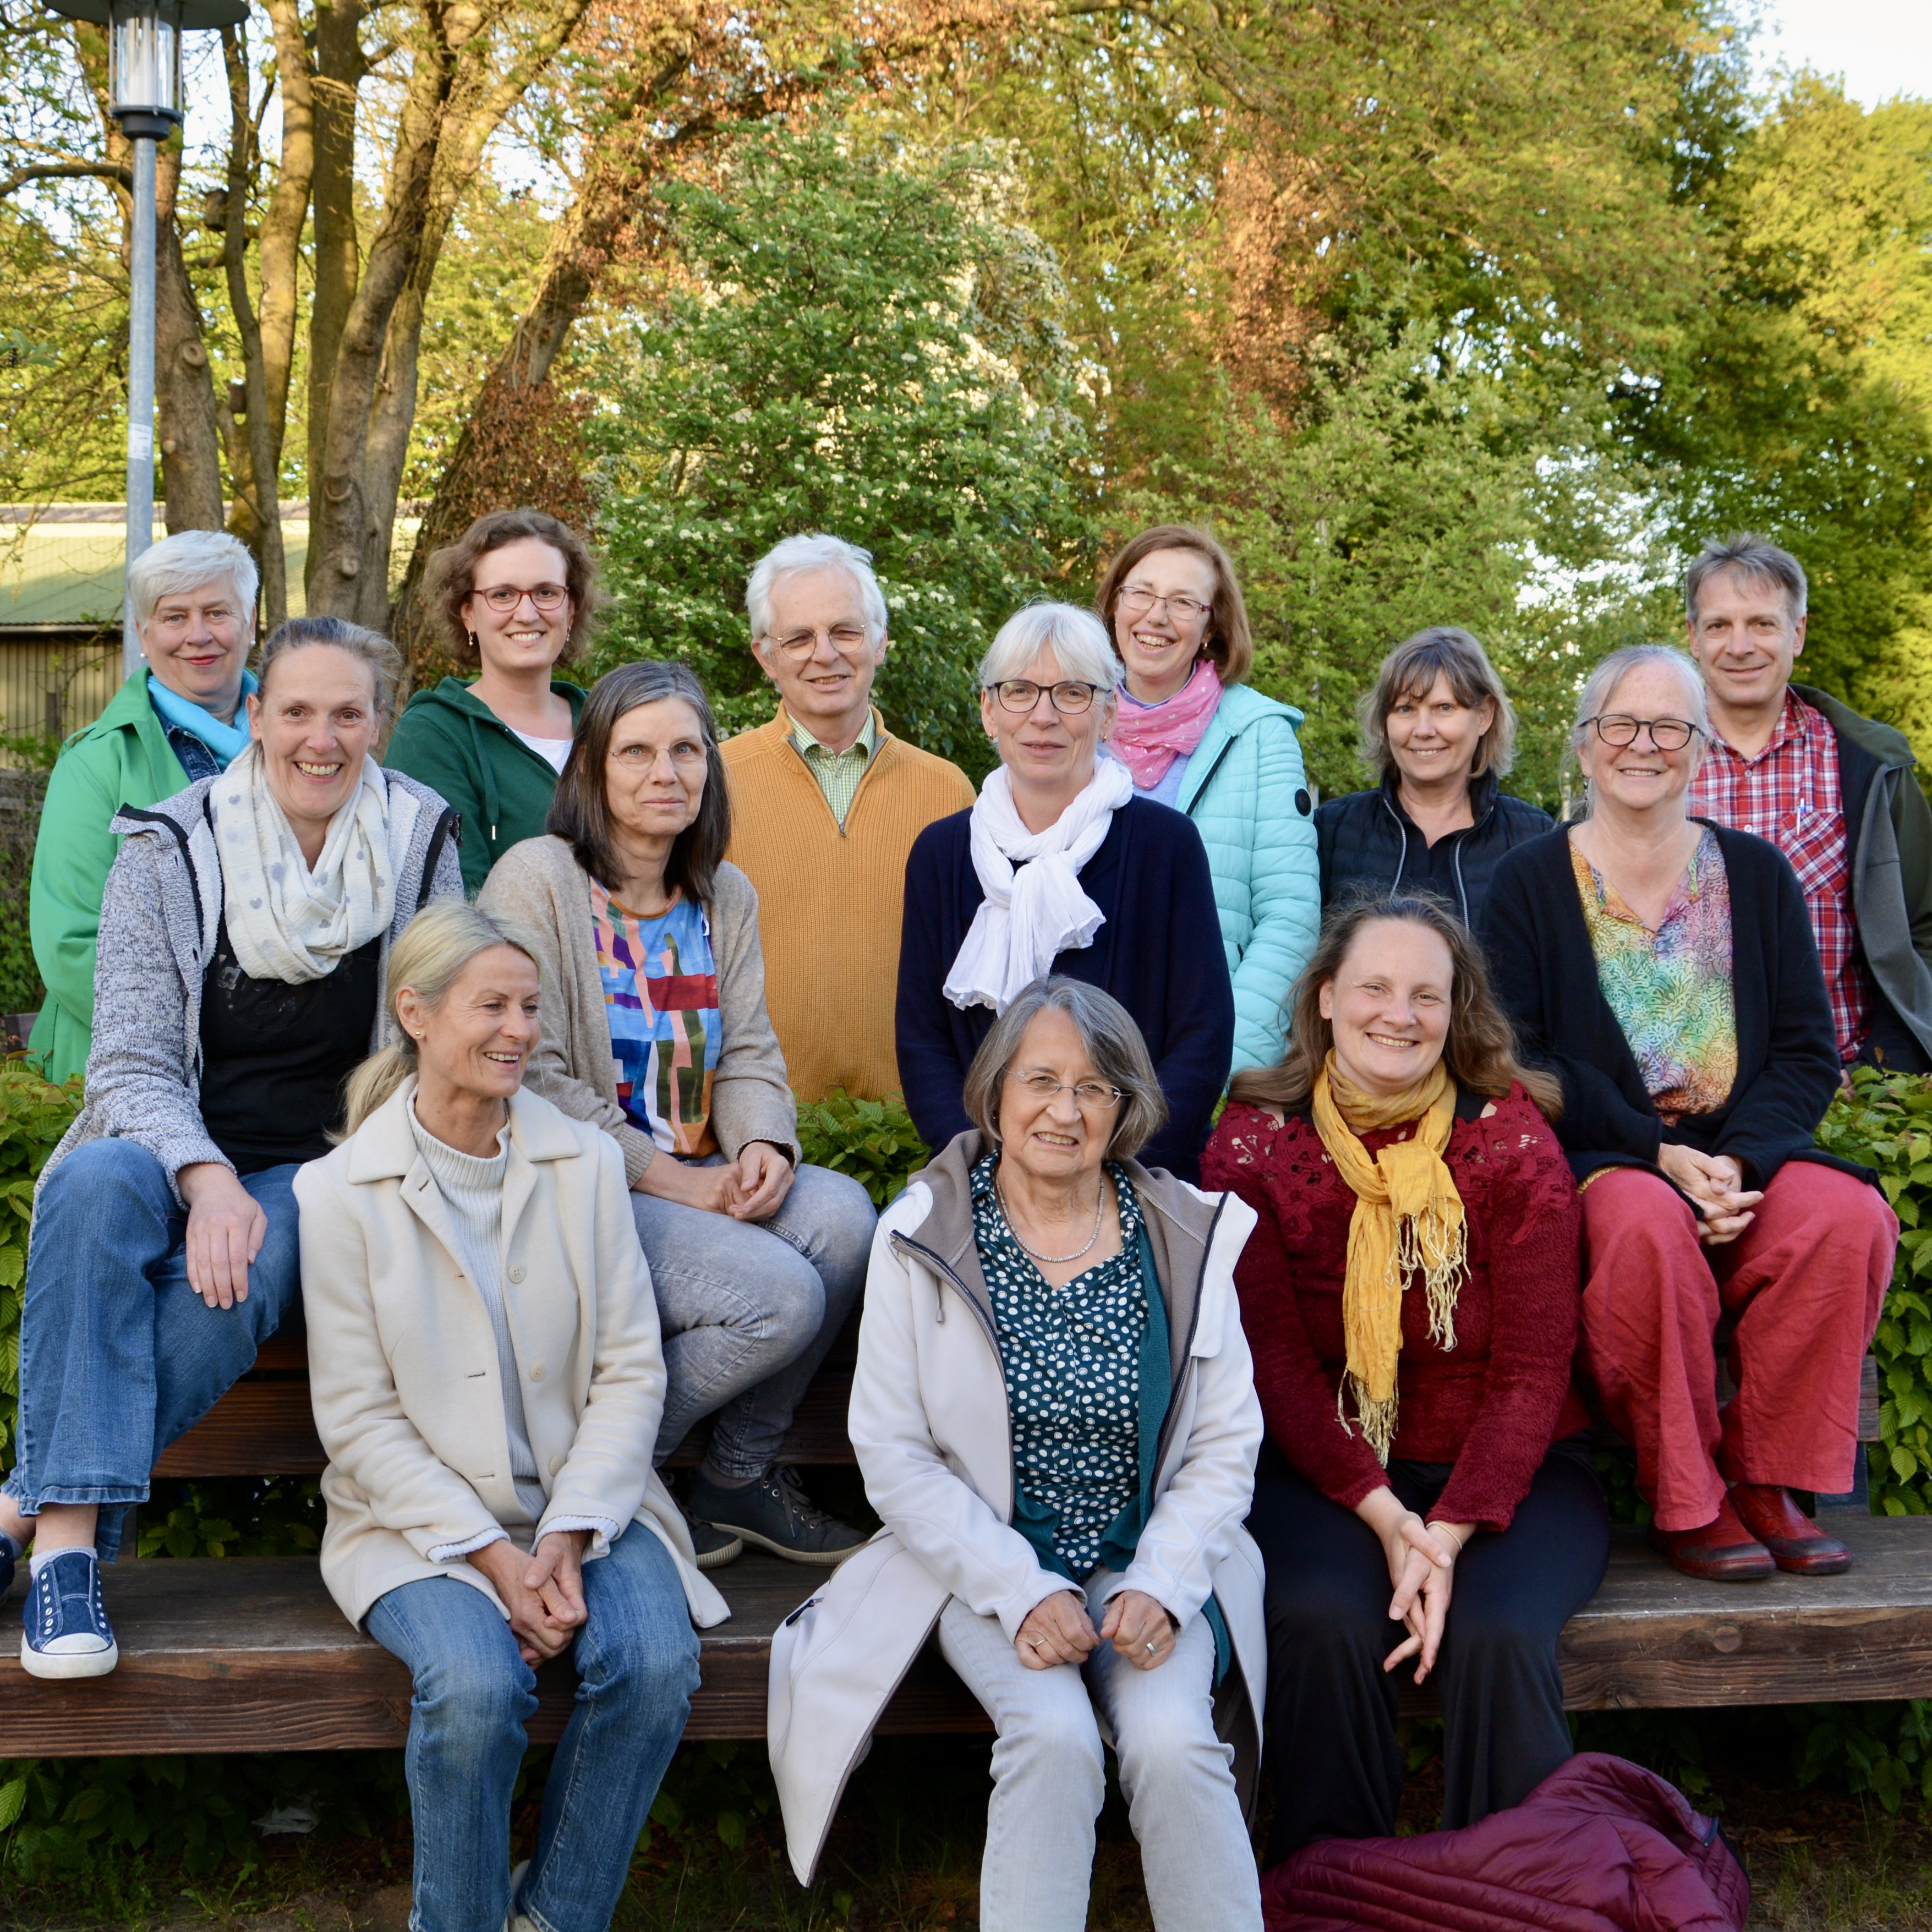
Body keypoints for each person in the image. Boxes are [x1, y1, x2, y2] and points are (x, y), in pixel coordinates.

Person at [2, 616, 462, 1672]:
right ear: (255, 716)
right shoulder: (169, 844)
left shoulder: (418, 838)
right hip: (173, 1141)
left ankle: (43, 1528)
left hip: (334, 1165)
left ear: (378, 722)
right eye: (296, 710)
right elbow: (127, 1064)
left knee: (250, 1253)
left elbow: (435, 1047)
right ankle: (60, 1531)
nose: (321, 739)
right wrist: (207, 1177)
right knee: (92, 1185)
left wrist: (261, 1195)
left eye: (347, 714)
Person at [769, 977, 1266, 1931]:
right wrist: (1019, 1588)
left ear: (1124, 1107)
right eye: (1040, 1080)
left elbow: (1223, 1441)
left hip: (1145, 1562)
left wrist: (1162, 1582)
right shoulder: (922, 1234)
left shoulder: (1185, 1234)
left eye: (1092, 1087)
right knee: (1051, 1734)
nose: (1063, 1111)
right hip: (983, 1566)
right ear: (996, 1091)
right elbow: (894, 1451)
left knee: (1171, 1739)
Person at [297, 899, 725, 1932]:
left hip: (589, 1504)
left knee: (655, 1663)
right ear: (416, 1013)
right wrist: (497, 1559)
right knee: (476, 1688)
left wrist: (567, 1534)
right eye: (492, 1006)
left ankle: (556, 1918)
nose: (519, 1030)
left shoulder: (584, 1160)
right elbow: (359, 1421)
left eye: (530, 1008)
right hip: (418, 1528)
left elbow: (629, 1368)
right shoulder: (339, 1191)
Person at [1200, 896, 1606, 1859]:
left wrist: (1446, 1533)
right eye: (1374, 987)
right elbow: (1274, 1365)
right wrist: (1388, 1518)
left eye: (1426, 994)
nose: (1399, 1014)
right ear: (1325, 997)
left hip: (1513, 1474)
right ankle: (1334, 1881)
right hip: (1325, 1474)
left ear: (1456, 1009)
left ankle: (1514, 1885)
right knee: (1321, 1618)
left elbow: (1533, 1367)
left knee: (1499, 1630)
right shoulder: (1252, 1140)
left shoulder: (1511, 1139)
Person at [1483, 645, 1897, 1582]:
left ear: (1701, 747)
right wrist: (1655, 1151)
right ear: (1582, 745)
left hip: (1738, 1160)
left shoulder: (1755, 873)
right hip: (1606, 1158)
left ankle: (1766, 1478)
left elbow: (1805, 1050)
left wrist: (1737, 1164)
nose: (1643, 744)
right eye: (1620, 724)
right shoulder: (1526, 882)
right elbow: (1516, 1059)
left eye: (1669, 726)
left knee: (1846, 1217)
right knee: (1642, 1226)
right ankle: (1689, 1495)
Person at [479, 661, 876, 1569]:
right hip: (581, 1189)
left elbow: (749, 1053)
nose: (666, 772)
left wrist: (764, 1146)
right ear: (593, 767)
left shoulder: (723, 894)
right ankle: (615, 1469)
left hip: (698, 1174)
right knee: (779, 1297)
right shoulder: (537, 879)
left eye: (686, 751)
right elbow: (530, 1077)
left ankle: (735, 1474)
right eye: (637, 752)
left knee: (845, 1219)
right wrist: (673, 1181)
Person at [897, 604, 1234, 1183]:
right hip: (982, 1177)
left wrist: (1109, 1171)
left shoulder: (1167, 847)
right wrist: (990, 1173)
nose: (1043, 716)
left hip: (1140, 1172)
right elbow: (923, 1041)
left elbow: (1201, 1038)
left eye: (1072, 693)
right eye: (1019, 691)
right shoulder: (940, 855)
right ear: (989, 711)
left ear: (1108, 715)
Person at [720, 534, 976, 1103]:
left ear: (880, 641)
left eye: (845, 631)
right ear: (765, 656)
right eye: (798, 638)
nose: (825, 654)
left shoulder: (947, 790)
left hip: (919, 1122)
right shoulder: (713, 783)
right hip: (760, 1124)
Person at [1683, 532, 1932, 1072]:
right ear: (1693, 638)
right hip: (1684, 1097)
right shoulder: (1648, 761)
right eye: (1719, 625)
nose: (1740, 646)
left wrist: (1886, 1065)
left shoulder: (1868, 765)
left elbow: (1924, 927)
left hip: (1845, 1085)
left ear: (1796, 633)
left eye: (1762, 624)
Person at [30, 528, 264, 1083]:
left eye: (217, 612)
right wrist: (226, 1034)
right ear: (143, 632)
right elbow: (71, 944)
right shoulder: (93, 764)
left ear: (251, 622)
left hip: (274, 1075)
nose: (198, 635)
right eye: (174, 616)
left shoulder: (304, 746)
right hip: (124, 1070)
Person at [1095, 524, 1319, 1070]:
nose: (1155, 616)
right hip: (1073, 1052)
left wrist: (1223, 1062)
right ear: (1115, 604)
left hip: (1200, 1054)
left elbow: (1288, 917)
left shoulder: (1261, 735)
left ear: (1211, 624)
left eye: (1182, 602)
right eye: (1141, 593)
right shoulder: (1067, 717)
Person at [384, 508, 596, 895]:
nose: (527, 613)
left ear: (570, 609)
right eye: (503, 595)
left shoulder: (609, 724)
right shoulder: (432, 736)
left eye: (546, 593)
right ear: (468, 613)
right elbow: (458, 904)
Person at [1316, 626, 1551, 929]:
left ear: (1484, 715)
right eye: (1406, 709)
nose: (1424, 730)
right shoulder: (1331, 832)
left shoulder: (1535, 838)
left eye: (1444, 708)